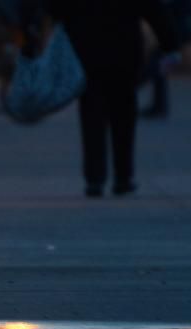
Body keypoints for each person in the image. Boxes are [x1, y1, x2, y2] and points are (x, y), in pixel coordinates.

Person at [48, 0, 180, 197]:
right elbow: (153, 9)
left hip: (87, 50)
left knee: (91, 115)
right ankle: (123, 177)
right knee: (124, 115)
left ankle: (94, 178)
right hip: (124, 50)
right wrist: (170, 43)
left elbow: (57, 9)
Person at [141, 0, 191, 119]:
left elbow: (168, 12)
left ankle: (158, 105)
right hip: (181, 30)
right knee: (159, 65)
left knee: (156, 64)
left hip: (180, 30)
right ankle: (159, 106)